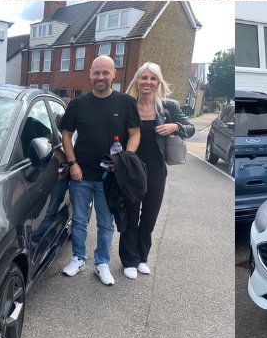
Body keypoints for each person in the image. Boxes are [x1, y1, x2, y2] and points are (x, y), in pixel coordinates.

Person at [60, 56, 141, 286]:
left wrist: (125, 159)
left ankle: (102, 263)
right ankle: (78, 258)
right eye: (97, 73)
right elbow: (66, 134)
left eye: (106, 73)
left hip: (110, 177)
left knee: (106, 223)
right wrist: (72, 162)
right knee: (78, 220)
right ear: (90, 74)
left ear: (114, 74)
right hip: (81, 174)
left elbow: (135, 133)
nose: (101, 78)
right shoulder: (78, 104)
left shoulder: (125, 103)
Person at [120, 62, 195, 279]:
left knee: (150, 216)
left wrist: (176, 127)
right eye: (144, 78)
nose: (148, 82)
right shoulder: (128, 105)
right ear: (136, 81)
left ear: (159, 82)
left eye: (153, 78)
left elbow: (190, 128)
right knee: (131, 215)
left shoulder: (168, 107)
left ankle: (142, 257)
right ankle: (129, 260)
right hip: (133, 169)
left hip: (156, 170)